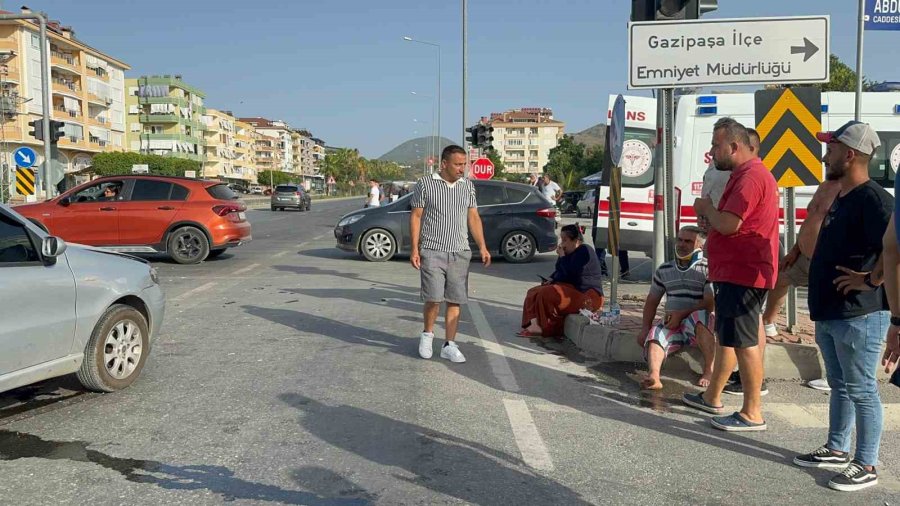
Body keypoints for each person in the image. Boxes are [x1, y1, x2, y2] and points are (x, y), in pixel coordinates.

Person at [791, 121, 892, 492]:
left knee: (862, 388)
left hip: (860, 313)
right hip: (832, 310)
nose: (825, 154)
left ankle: (866, 463)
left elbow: (894, 248)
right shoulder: (842, 195)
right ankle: (837, 447)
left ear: (850, 155)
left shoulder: (874, 199)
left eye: (831, 148)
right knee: (840, 385)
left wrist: (871, 280)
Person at [683, 117, 779, 432]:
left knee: (745, 342)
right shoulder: (742, 175)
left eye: (715, 145)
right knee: (731, 338)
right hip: (735, 271)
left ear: (733, 146)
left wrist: (707, 208)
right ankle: (713, 397)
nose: (712, 152)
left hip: (745, 272)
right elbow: (729, 222)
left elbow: (730, 224)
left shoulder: (751, 176)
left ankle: (752, 412)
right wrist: (713, 219)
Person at [758, 179, 841, 393]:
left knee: (827, 320)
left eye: (831, 151)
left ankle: (835, 377)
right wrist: (795, 250)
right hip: (804, 256)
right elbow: (811, 222)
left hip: (826, 264)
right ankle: (768, 322)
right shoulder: (825, 186)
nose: (825, 158)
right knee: (779, 279)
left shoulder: (852, 192)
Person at [411, 145, 491, 363]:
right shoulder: (425, 184)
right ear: (444, 164)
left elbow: (473, 217)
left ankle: (449, 344)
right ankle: (427, 336)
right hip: (432, 250)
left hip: (460, 251)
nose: (461, 169)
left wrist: (482, 246)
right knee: (434, 298)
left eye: (464, 164)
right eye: (457, 164)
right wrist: (415, 248)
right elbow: (416, 216)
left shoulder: (468, 187)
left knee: (455, 300)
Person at [637, 226, 715, 390]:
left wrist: (681, 314)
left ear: (700, 246)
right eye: (680, 240)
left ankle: (709, 370)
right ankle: (654, 376)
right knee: (655, 334)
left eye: (688, 241)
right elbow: (652, 301)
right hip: (673, 323)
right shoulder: (664, 270)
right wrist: (645, 328)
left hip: (697, 326)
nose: (682, 244)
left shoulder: (708, 269)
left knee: (700, 318)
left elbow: (709, 303)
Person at [518, 224, 604, 338]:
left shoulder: (585, 250)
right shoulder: (568, 253)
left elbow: (572, 272)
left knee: (547, 293)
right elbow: (560, 272)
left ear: (576, 241)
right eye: (561, 240)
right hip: (572, 289)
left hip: (588, 295)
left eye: (565, 240)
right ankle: (534, 324)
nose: (562, 244)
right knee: (533, 292)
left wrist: (563, 257)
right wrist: (551, 279)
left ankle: (546, 327)